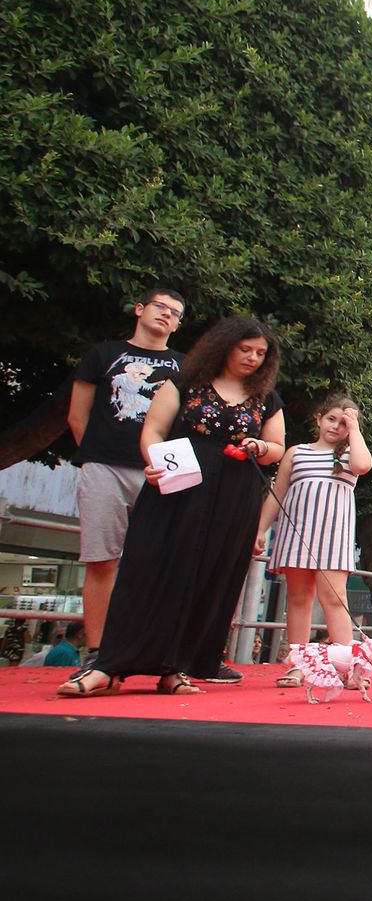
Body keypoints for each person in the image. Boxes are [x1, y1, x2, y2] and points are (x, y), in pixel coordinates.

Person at [58, 316, 286, 697]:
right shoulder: (183, 382)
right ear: (225, 347)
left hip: (234, 493)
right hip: (179, 482)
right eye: (245, 349)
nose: (252, 358)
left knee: (209, 576)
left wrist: (260, 447)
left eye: (260, 353)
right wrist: (154, 461)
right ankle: (109, 665)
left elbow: (276, 447)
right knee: (148, 567)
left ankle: (175, 667)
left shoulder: (267, 398)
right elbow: (153, 430)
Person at [64, 287, 186, 675]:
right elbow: (77, 416)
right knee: (101, 559)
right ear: (139, 309)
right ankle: (98, 651)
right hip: (104, 467)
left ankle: (153, 652)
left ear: (178, 324)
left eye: (175, 313)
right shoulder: (103, 354)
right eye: (160, 307)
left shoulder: (185, 366)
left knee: (160, 563)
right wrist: (99, 452)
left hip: (162, 470)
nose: (166, 315)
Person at [255, 395, 372, 688]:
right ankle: (300, 665)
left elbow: (363, 465)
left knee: (335, 598)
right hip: (296, 533)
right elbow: (278, 493)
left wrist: (354, 428)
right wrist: (260, 530)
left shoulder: (349, 454)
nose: (336, 426)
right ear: (319, 418)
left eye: (343, 423)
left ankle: (349, 667)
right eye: (331, 419)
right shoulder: (296, 453)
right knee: (298, 599)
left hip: (334, 536)